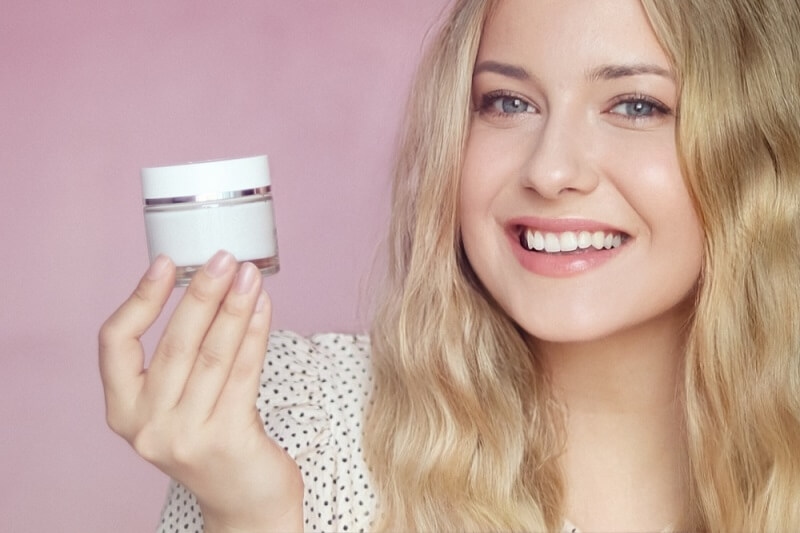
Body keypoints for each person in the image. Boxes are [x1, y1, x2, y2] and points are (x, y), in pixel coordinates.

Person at [99, 0, 800, 531]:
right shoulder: (290, 420)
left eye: (637, 105)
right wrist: (254, 515)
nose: (550, 170)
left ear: (762, 153)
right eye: (508, 102)